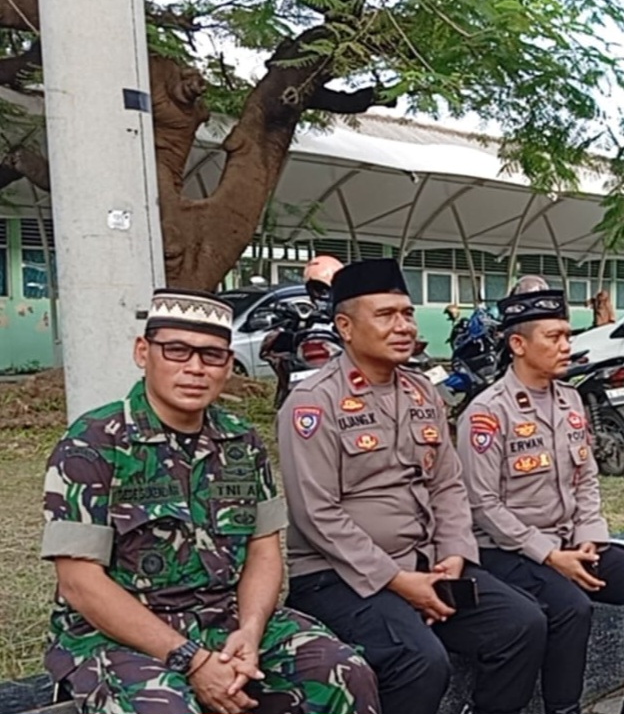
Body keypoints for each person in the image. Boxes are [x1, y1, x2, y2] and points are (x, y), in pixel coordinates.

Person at [40, 289, 379, 714]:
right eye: (177, 351)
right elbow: (80, 583)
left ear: (228, 364)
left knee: (343, 673)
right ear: (143, 352)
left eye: (212, 355)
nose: (195, 368)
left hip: (225, 621)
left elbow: (263, 551)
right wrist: (192, 660)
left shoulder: (241, 442)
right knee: (166, 708)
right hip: (119, 636)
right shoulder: (92, 444)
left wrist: (250, 632)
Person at [278, 258, 546, 714]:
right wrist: (398, 581)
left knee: (523, 624)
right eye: (385, 315)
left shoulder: (422, 392)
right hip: (337, 578)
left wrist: (454, 554)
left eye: (407, 313)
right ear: (345, 327)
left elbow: (448, 485)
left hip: (425, 565)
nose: (403, 326)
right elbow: (316, 513)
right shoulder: (313, 403)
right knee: (420, 661)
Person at [459, 285, 624, 714]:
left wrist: (589, 535)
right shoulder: (487, 413)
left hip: (570, 540)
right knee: (571, 608)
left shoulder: (570, 400)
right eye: (553, 337)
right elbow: (483, 504)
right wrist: (550, 555)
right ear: (518, 344)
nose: (565, 346)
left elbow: (586, 477)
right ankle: (563, 708)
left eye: (567, 336)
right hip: (509, 550)